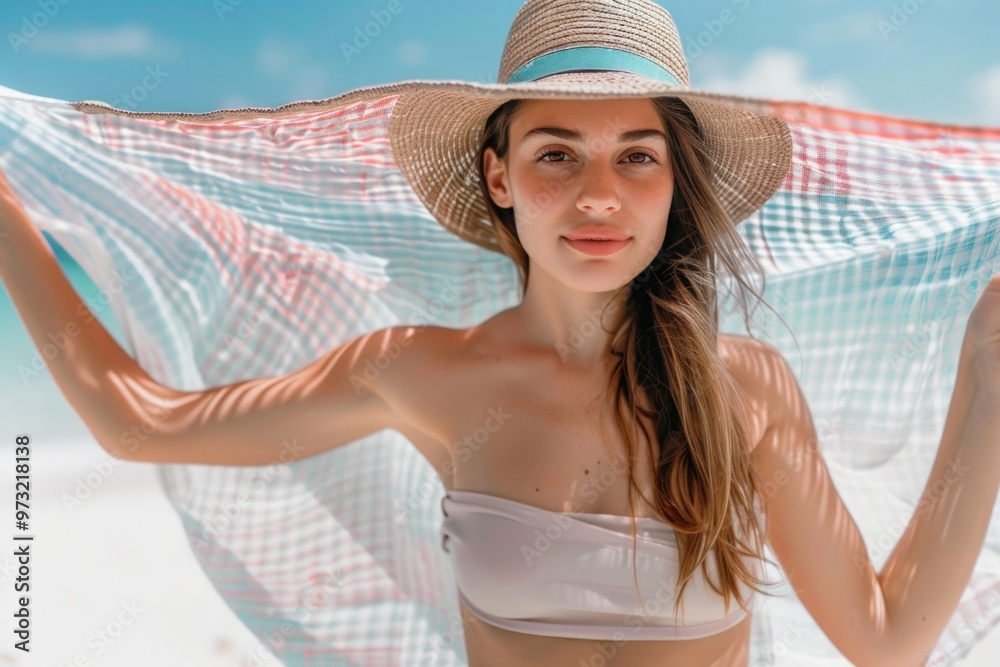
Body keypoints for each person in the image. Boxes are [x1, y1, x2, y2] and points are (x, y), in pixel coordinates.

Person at [1, 0, 999, 665]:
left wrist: (984, 373)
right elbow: (143, 424)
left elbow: (887, 637)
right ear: (497, 177)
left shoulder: (746, 390)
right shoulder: (426, 373)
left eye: (637, 156)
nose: (598, 194)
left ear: (674, 183)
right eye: (556, 153)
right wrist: (11, 222)